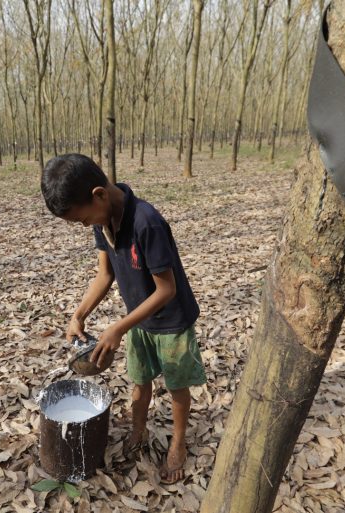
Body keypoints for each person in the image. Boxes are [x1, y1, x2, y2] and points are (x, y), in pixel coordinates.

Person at [41, 154, 205, 484]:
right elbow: (105, 275)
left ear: (99, 194)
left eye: (81, 220)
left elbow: (167, 290)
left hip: (171, 322)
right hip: (138, 322)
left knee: (175, 387)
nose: (85, 226)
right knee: (139, 382)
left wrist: (118, 326)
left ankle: (177, 442)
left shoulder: (147, 222)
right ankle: (139, 429)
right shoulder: (104, 221)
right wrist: (79, 315)